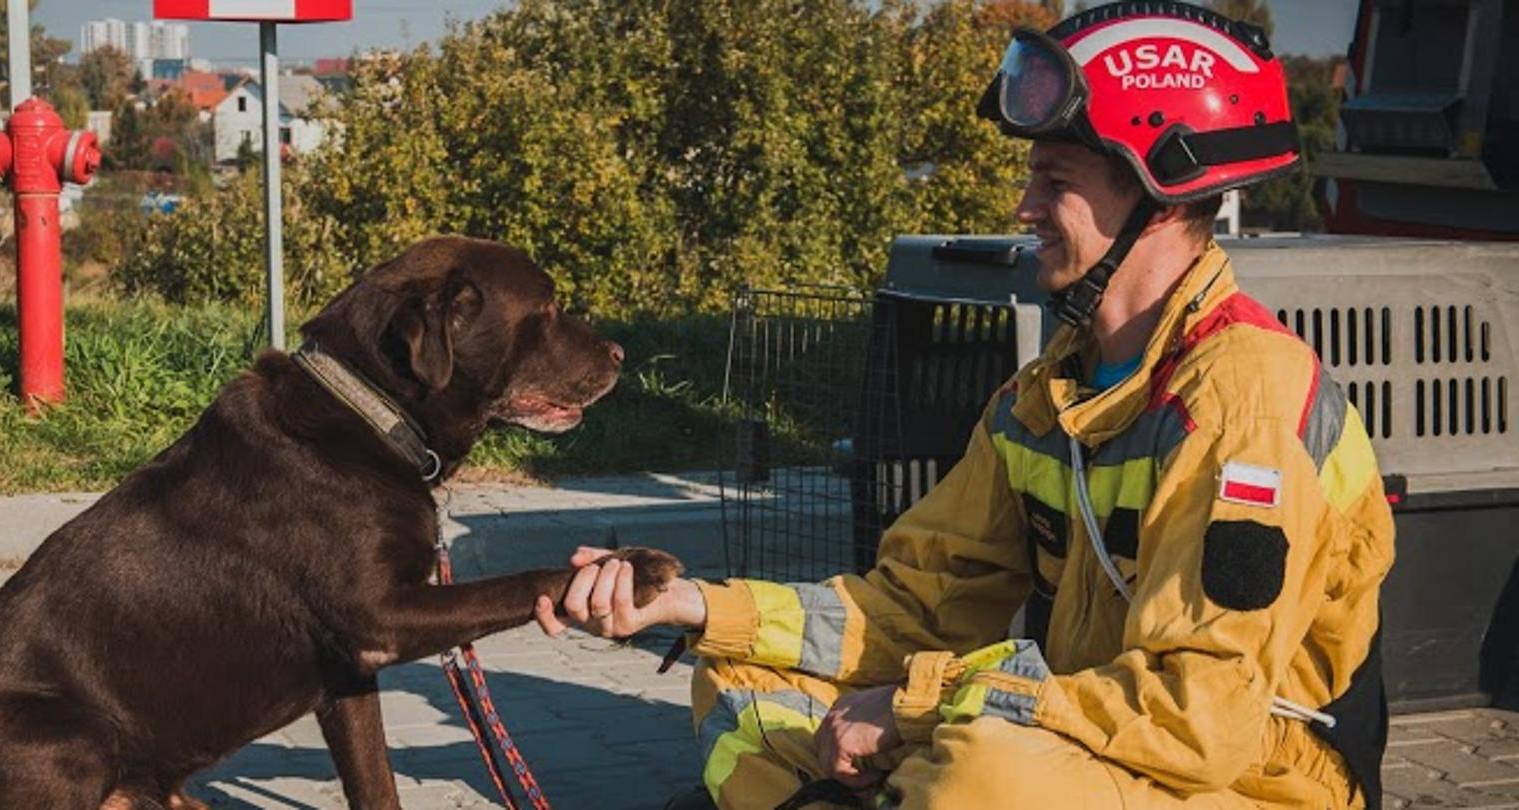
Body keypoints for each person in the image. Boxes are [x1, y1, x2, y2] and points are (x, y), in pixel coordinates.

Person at [535, 3, 1396, 808]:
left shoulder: (1243, 401)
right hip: (1091, 736)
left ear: (1159, 189)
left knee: (980, 768)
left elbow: (1196, 714)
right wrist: (689, 606)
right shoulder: (1043, 399)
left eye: (1053, 180)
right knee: (737, 679)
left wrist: (916, 706)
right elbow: (912, 607)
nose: (1023, 208)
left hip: (1256, 774)